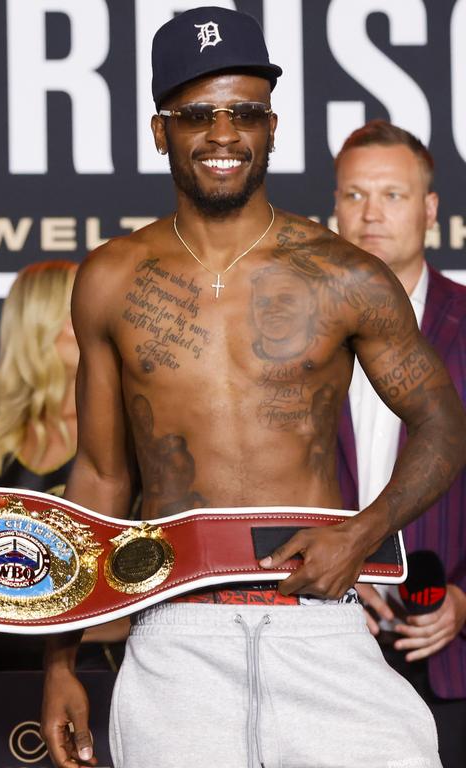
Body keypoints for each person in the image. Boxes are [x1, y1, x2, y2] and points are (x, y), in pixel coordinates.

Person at [39, 7, 466, 768]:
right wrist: (58, 660)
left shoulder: (344, 274)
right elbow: (102, 478)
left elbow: (443, 425)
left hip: (319, 621)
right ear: (159, 130)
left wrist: (362, 533)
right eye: (197, 114)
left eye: (245, 112)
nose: (224, 133)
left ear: (272, 127)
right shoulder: (110, 280)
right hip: (175, 634)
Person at [0, 261, 128, 768]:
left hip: (102, 669)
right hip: (4, 678)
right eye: (79, 307)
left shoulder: (125, 434)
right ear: (42, 325)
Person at [333, 119, 466, 765]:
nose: (371, 214)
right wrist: (323, 584)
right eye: (354, 195)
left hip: (449, 662)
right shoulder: (294, 336)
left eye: (392, 194)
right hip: (321, 651)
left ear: (430, 209)